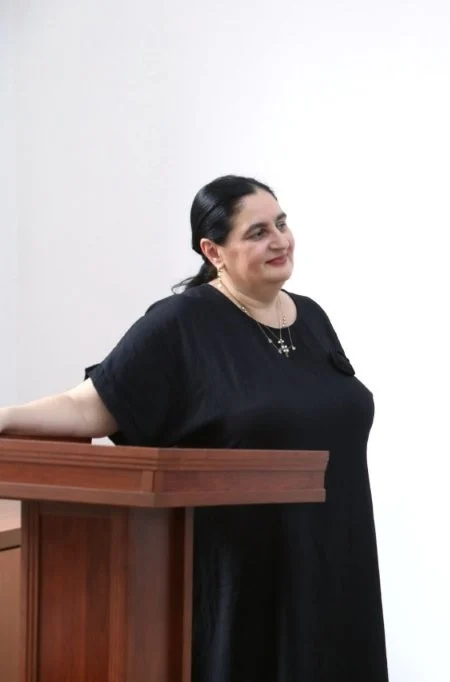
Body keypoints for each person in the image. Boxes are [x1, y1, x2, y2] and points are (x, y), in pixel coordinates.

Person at [0, 175, 389, 682]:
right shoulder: (182, 322)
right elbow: (91, 405)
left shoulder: (311, 317)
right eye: (257, 232)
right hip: (247, 574)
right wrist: (5, 417)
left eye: (281, 224)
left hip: (337, 555)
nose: (280, 240)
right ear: (213, 251)